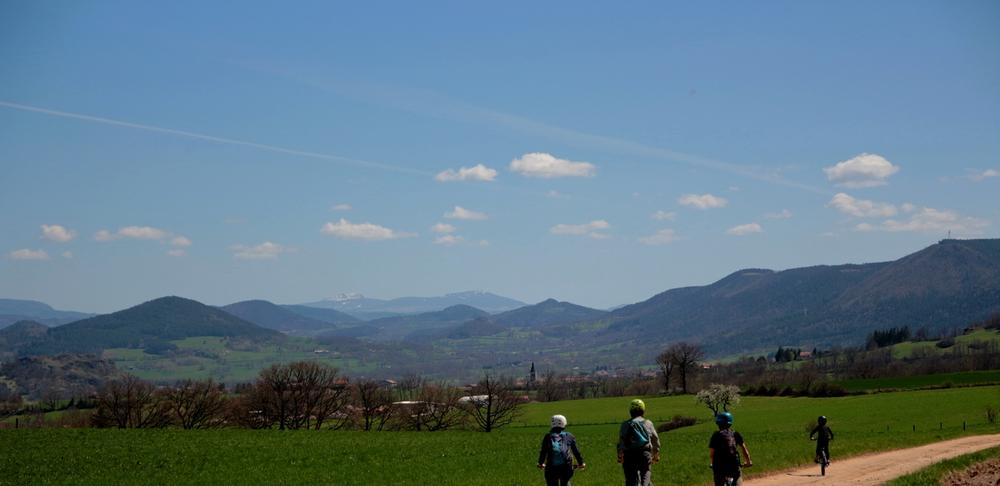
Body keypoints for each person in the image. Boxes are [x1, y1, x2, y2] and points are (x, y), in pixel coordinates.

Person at [616, 399, 661, 486]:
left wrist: (620, 456)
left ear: (630, 412)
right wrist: (656, 454)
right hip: (644, 454)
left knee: (630, 480)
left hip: (628, 455)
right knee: (646, 473)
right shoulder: (648, 423)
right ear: (643, 411)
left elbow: (621, 442)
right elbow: (656, 441)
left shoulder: (625, 424)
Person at [538, 414, 585, 486]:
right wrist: (581, 463)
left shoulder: (548, 436)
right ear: (564, 423)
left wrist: (540, 463)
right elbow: (576, 452)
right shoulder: (569, 436)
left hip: (551, 468)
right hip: (566, 467)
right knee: (566, 482)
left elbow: (543, 452)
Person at [709, 412, 752, 486]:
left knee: (719, 482)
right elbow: (744, 449)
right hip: (734, 465)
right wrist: (748, 461)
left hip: (719, 466)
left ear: (718, 423)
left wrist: (713, 463)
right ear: (730, 423)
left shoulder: (716, 435)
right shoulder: (735, 434)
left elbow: (712, 454)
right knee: (737, 477)